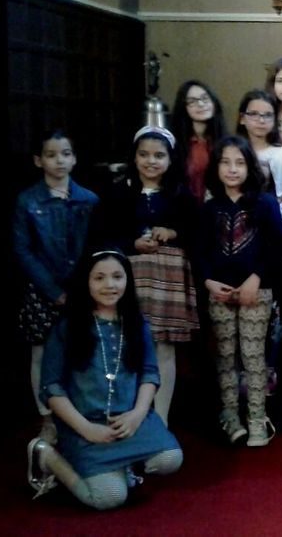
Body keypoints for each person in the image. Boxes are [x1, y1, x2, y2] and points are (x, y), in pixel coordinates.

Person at [27, 251, 182, 510]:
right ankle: (46, 455)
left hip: (129, 421)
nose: (110, 285)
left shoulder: (136, 323)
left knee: (170, 459)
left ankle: (121, 465)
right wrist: (87, 429)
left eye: (117, 277)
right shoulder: (68, 326)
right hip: (85, 426)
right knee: (109, 497)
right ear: (86, 282)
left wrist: (137, 414)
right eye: (99, 278)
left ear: (128, 280)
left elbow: (149, 373)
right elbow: (51, 387)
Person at [95, 127, 198, 424]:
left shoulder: (181, 195)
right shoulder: (117, 194)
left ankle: (161, 420)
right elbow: (103, 235)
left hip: (169, 279)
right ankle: (127, 416)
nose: (151, 161)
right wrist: (132, 243)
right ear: (134, 157)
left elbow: (197, 232)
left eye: (158, 155)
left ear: (170, 159)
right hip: (129, 276)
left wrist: (172, 232)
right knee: (129, 345)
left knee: (164, 348)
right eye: (144, 155)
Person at [14, 130, 99, 444]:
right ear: (39, 161)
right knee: (42, 353)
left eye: (66, 154)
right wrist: (52, 290)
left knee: (83, 349)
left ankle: (81, 414)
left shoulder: (89, 199)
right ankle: (47, 417)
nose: (59, 161)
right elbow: (23, 249)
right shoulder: (27, 201)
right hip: (42, 288)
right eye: (51, 155)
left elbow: (95, 247)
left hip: (82, 288)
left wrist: (80, 287)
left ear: (74, 158)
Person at [200, 137, 282, 447]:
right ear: (216, 167)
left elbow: (277, 246)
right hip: (219, 292)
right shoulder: (210, 208)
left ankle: (257, 418)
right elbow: (200, 251)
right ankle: (231, 418)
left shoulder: (265, 203)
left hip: (256, 292)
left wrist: (256, 278)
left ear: (250, 167)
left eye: (240, 162)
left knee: (253, 356)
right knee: (225, 357)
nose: (232, 169)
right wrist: (208, 281)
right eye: (225, 162)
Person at [237, 90, 282, 217]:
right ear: (242, 118)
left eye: (268, 115)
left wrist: (273, 214)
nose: (261, 120)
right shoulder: (232, 151)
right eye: (254, 114)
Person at [170, 80, 227, 202]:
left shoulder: (225, 140)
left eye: (205, 98)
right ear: (183, 107)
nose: (201, 104)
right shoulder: (175, 144)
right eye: (192, 101)